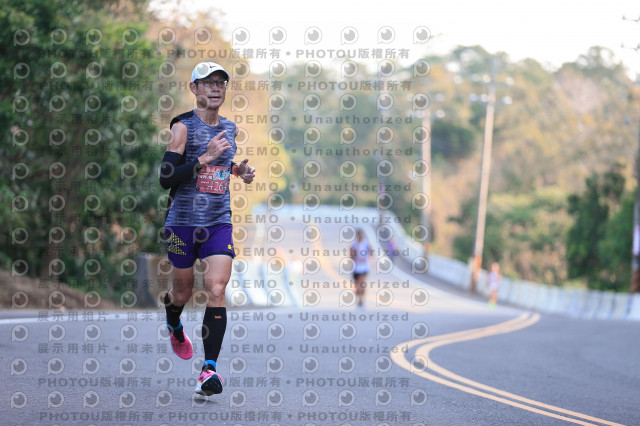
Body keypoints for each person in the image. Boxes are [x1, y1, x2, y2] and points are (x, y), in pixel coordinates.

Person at [158, 62, 255, 396]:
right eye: (208, 82)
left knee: (216, 287)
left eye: (221, 83)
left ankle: (209, 370)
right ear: (194, 88)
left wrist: (237, 171)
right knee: (182, 293)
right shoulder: (182, 128)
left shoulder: (229, 128)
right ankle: (174, 322)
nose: (215, 88)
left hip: (217, 222)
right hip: (181, 225)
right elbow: (166, 177)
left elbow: (221, 166)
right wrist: (203, 158)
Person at [350, 228, 373, 307]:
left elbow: (371, 253)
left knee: (362, 283)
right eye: (359, 235)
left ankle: (361, 299)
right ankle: (358, 296)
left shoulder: (366, 244)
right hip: (356, 267)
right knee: (357, 285)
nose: (360, 236)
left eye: (361, 235)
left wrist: (369, 259)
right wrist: (355, 252)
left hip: (364, 267)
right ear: (357, 236)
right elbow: (351, 256)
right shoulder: (354, 245)